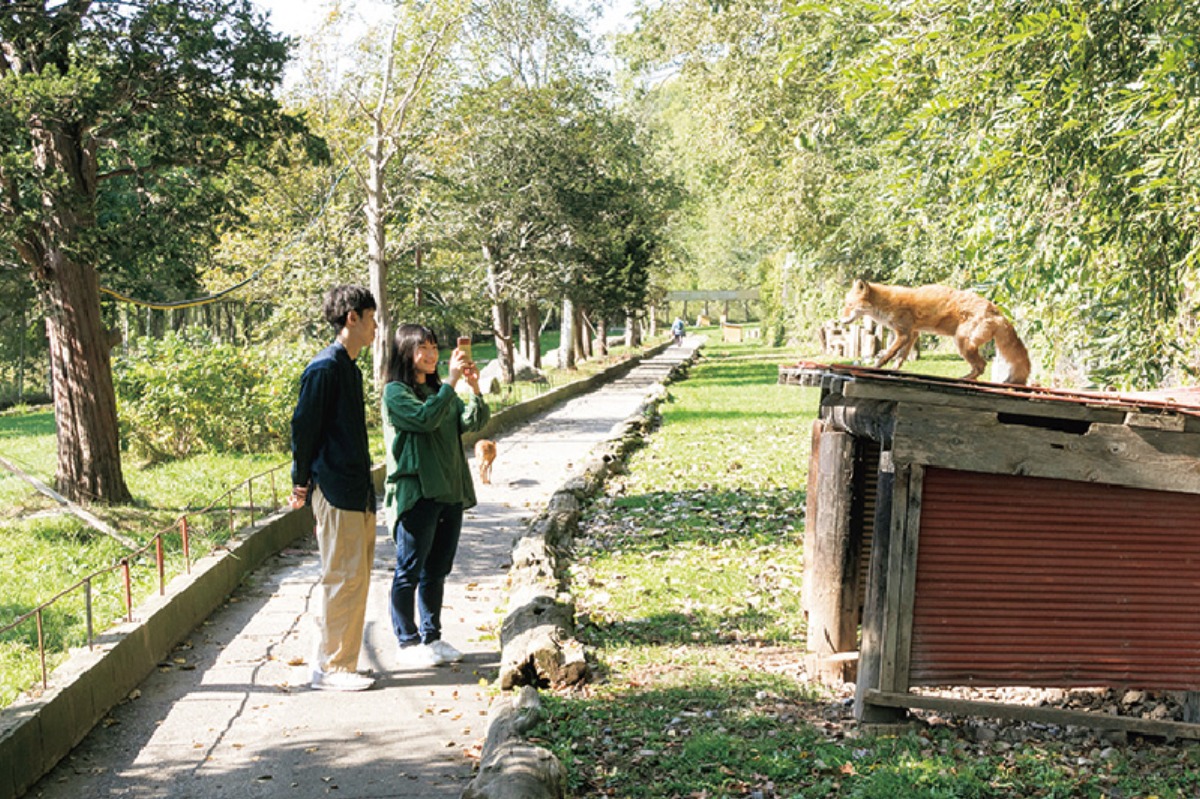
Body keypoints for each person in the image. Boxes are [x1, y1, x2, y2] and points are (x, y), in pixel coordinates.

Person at [383, 324, 490, 667]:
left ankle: (433, 636)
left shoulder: (440, 390)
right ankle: (407, 641)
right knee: (409, 569)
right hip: (417, 493)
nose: (430, 355)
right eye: (421, 349)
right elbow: (425, 420)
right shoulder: (396, 393)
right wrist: (451, 383)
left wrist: (474, 389)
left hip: (449, 490)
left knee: (437, 569)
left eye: (433, 348)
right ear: (405, 353)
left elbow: (471, 421)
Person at [289, 285, 379, 692]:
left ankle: (340, 660)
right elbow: (303, 429)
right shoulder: (324, 368)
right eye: (372, 318)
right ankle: (331, 668)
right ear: (352, 318)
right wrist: (300, 483)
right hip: (336, 488)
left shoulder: (349, 367)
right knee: (341, 576)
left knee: (355, 577)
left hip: (357, 490)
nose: (376, 326)